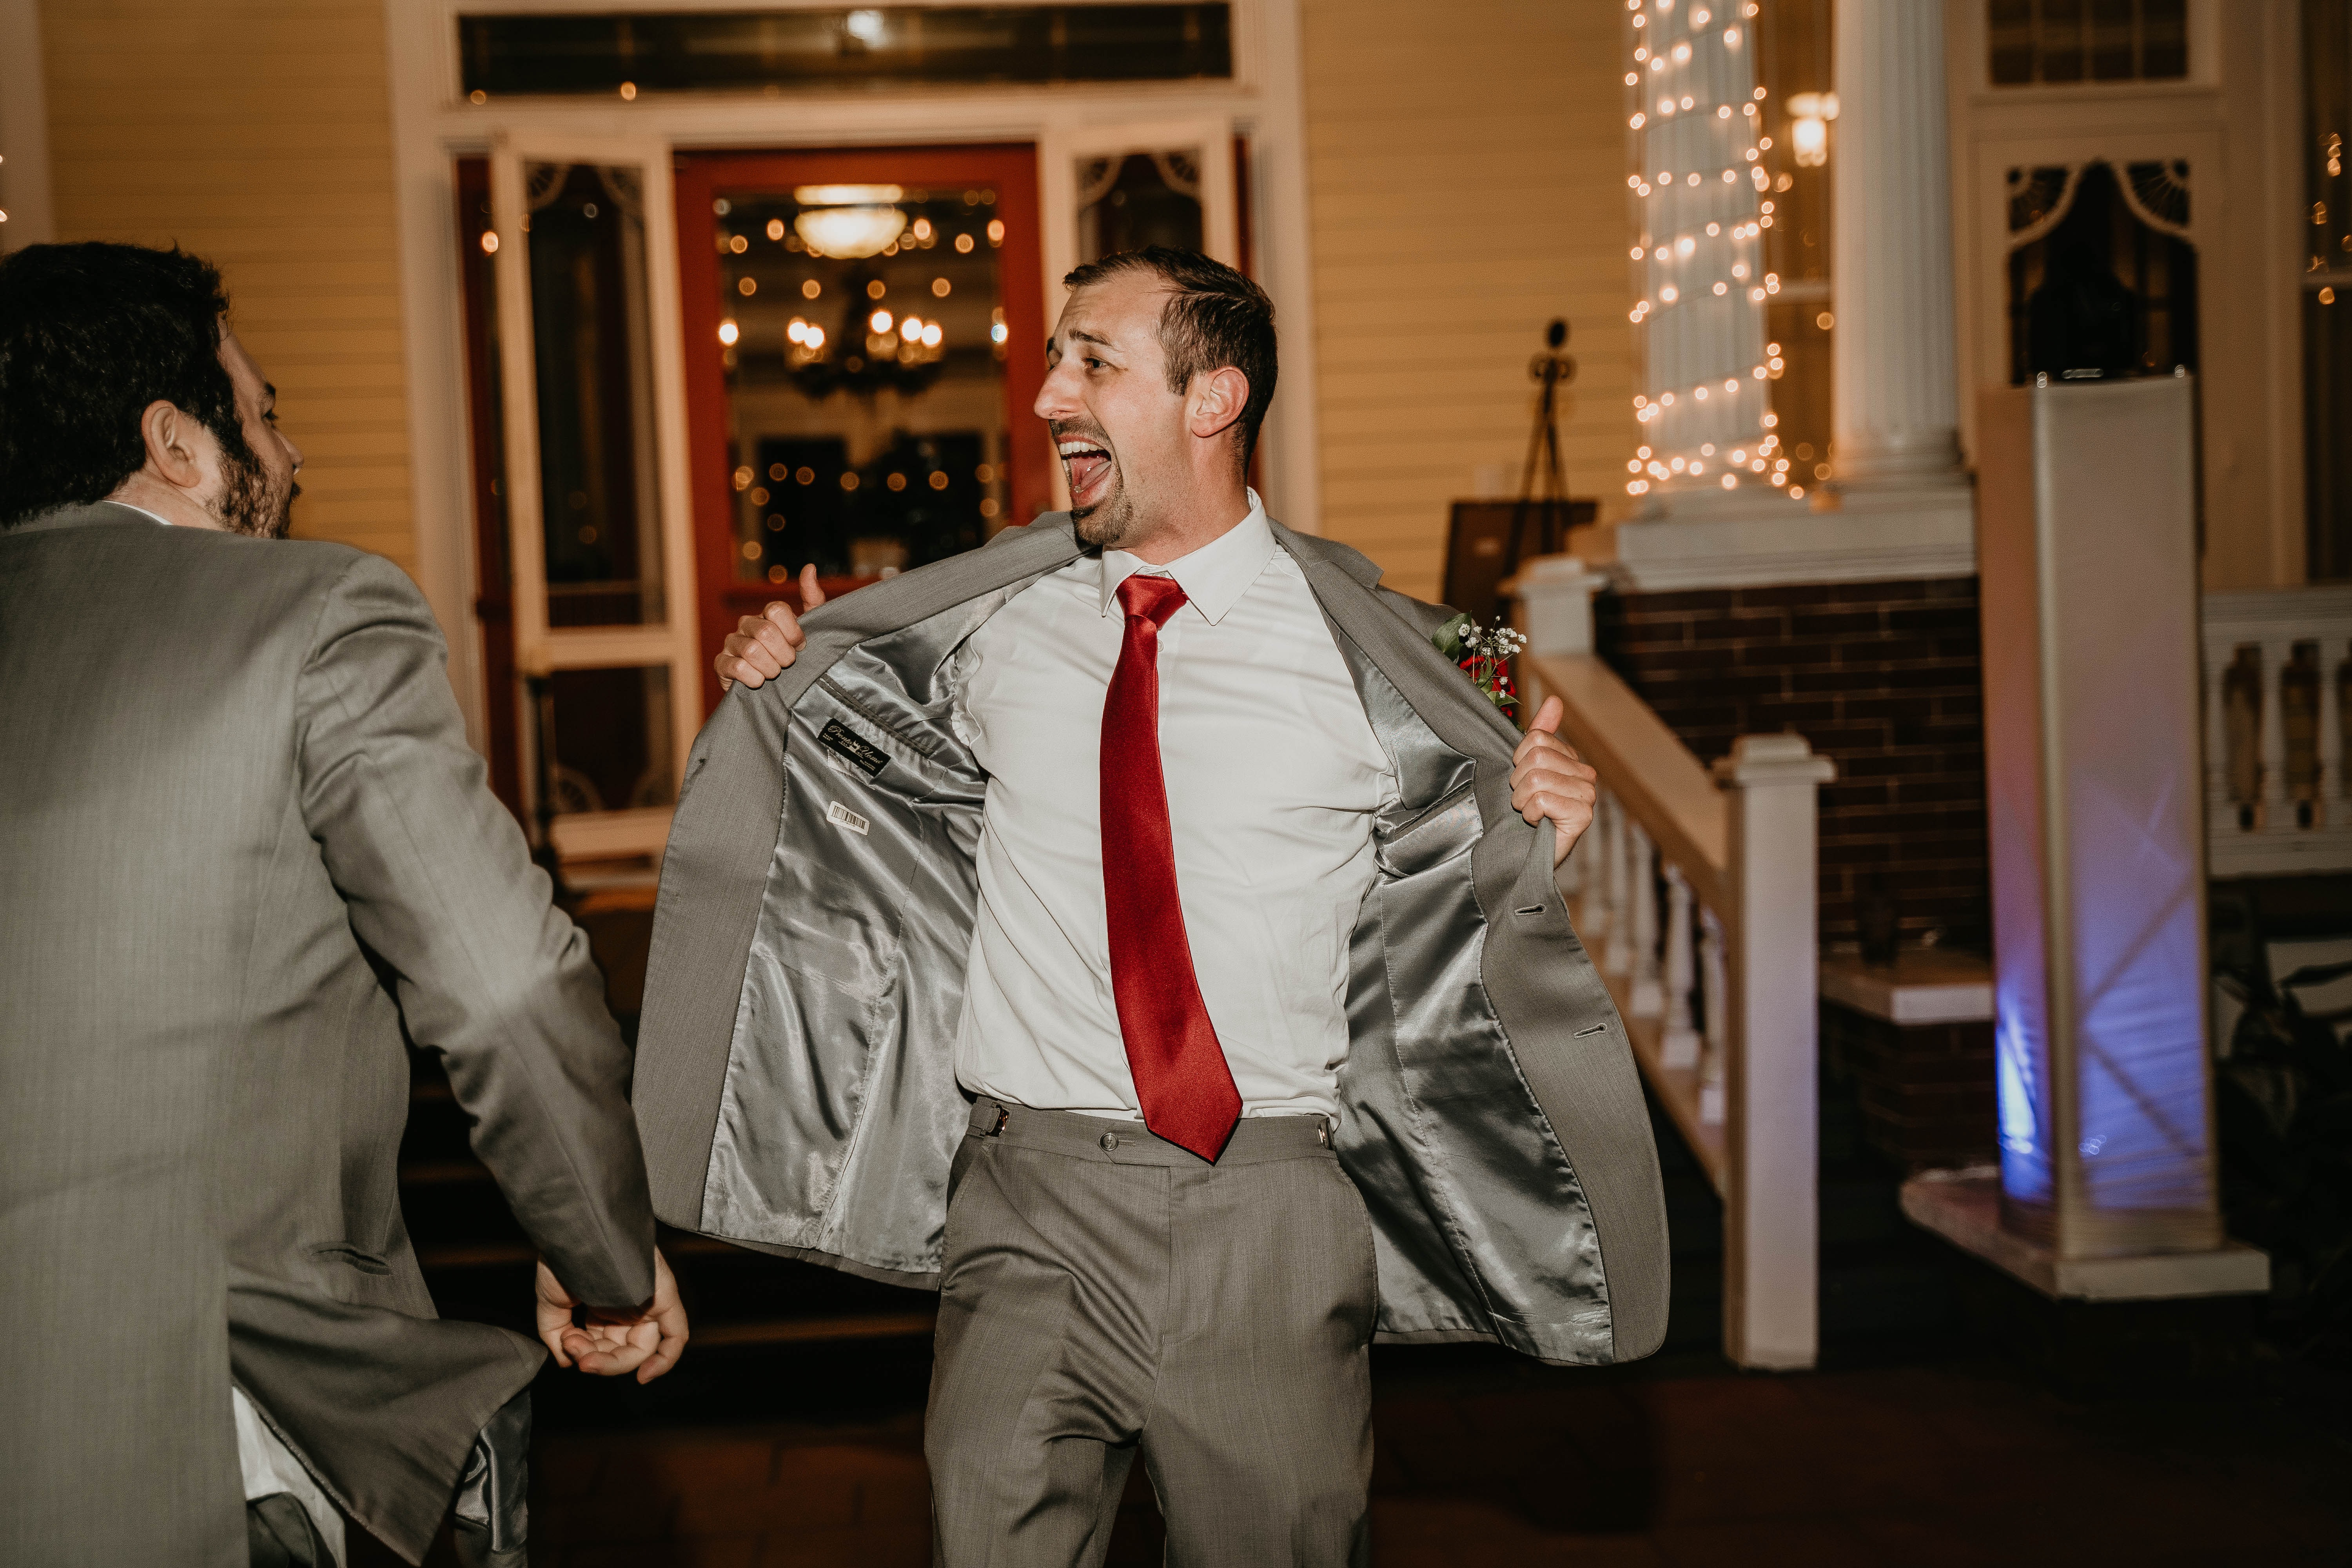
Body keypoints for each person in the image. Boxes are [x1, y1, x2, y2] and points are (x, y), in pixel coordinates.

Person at [634, 246, 1664, 1566]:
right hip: (1023, 1205)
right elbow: (851, 780)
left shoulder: (1368, 660)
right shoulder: (994, 624)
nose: (1049, 393)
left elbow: (1447, 893)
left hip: (1267, 1220)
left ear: (1212, 399)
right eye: (1057, 357)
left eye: (1092, 362)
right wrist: (777, 673)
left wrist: (1538, 834)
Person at [0, 241, 687, 1568]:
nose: (292, 450)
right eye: (261, 411)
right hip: (188, 1431)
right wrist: (605, 1252)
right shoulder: (312, 614)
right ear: (178, 444)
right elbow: (502, 986)